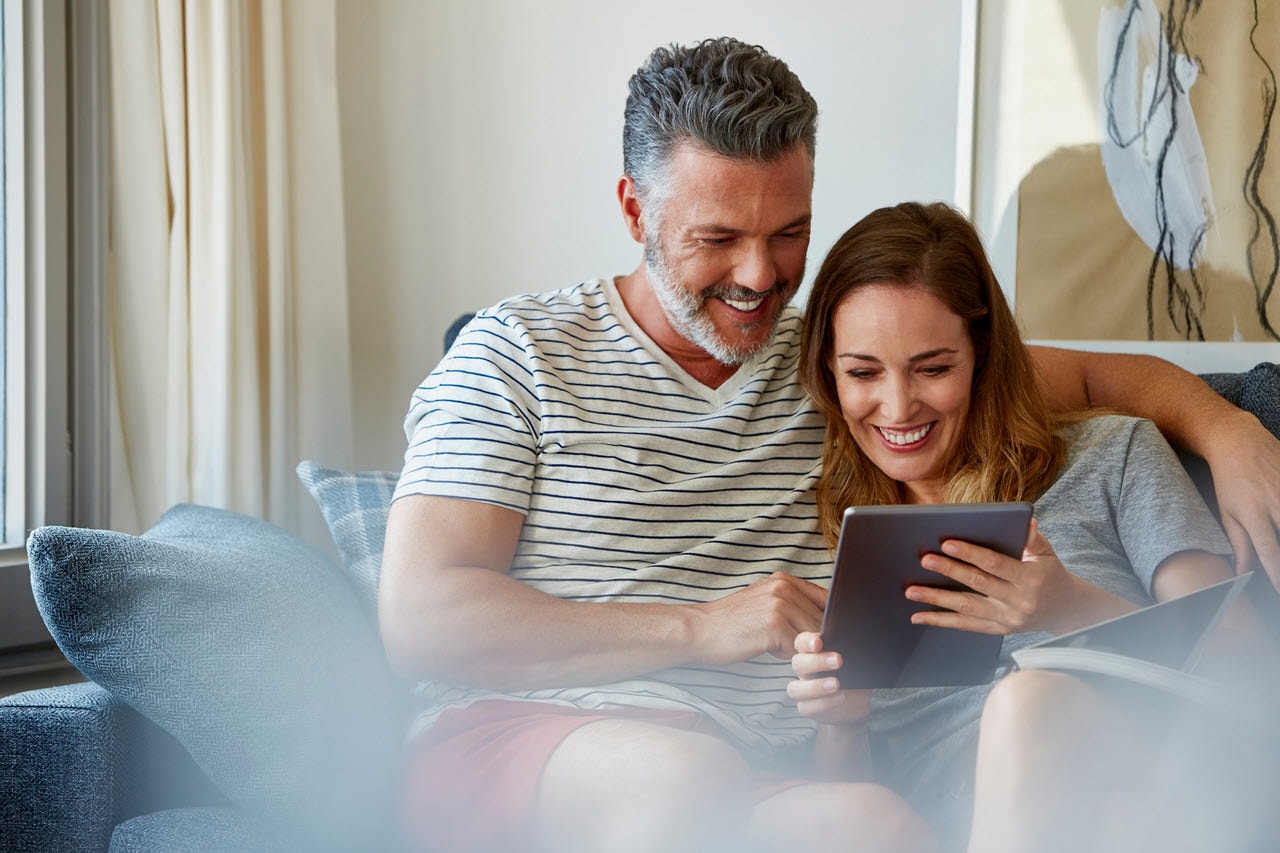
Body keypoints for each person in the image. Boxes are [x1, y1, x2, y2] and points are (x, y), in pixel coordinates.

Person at [380, 37, 1280, 852]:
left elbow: (1063, 379)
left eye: (789, 234)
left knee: (872, 825)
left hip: (753, 767)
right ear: (634, 209)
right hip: (536, 734)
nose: (759, 275)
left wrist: (1225, 426)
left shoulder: (835, 363)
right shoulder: (519, 353)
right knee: (678, 781)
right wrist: (700, 626)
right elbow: (422, 618)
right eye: (718, 238)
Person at [788, 200, 1280, 851]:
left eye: (933, 368)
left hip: (1127, 786)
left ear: (984, 356)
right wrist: (842, 726)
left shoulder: (1112, 455)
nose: (899, 405)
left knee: (1032, 707)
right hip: (932, 829)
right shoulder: (821, 532)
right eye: (862, 372)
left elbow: (1241, 664)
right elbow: (848, 803)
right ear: (829, 373)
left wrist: (1072, 605)